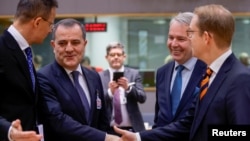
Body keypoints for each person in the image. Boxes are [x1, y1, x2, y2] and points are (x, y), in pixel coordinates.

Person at [114, 4, 250, 141]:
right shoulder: (211, 74)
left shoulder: (239, 78)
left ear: (206, 38)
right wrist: (138, 137)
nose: (189, 39)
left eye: (191, 33)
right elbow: (187, 124)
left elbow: (241, 133)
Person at [37, 18, 119, 141]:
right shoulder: (43, 77)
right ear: (53, 45)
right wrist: (105, 138)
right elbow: (58, 121)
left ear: (84, 44)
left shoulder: (94, 76)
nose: (69, 49)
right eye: (62, 43)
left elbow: (102, 120)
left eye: (75, 42)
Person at [0, 0, 58, 141]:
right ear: (37, 22)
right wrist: (9, 131)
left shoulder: (25, 51)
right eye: (50, 24)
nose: (50, 30)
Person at [152, 12, 206, 129]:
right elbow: (159, 119)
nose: (174, 44)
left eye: (181, 39)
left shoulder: (209, 72)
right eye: (171, 37)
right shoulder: (162, 73)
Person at [99, 41, 147, 136]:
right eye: (112, 55)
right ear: (106, 57)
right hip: (108, 131)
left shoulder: (134, 74)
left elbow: (142, 98)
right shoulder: (99, 77)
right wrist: (109, 93)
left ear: (124, 57)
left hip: (132, 129)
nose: (116, 57)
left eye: (119, 54)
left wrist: (128, 88)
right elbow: (96, 102)